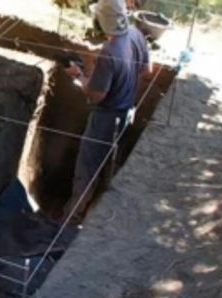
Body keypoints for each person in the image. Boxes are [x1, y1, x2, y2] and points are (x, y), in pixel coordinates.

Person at [63, 0, 149, 224]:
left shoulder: (109, 53)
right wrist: (122, 81)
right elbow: (146, 70)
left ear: (103, 22)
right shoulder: (136, 35)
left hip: (106, 118)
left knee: (88, 165)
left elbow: (95, 96)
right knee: (110, 160)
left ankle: (73, 217)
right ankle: (97, 207)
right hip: (127, 109)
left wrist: (78, 75)